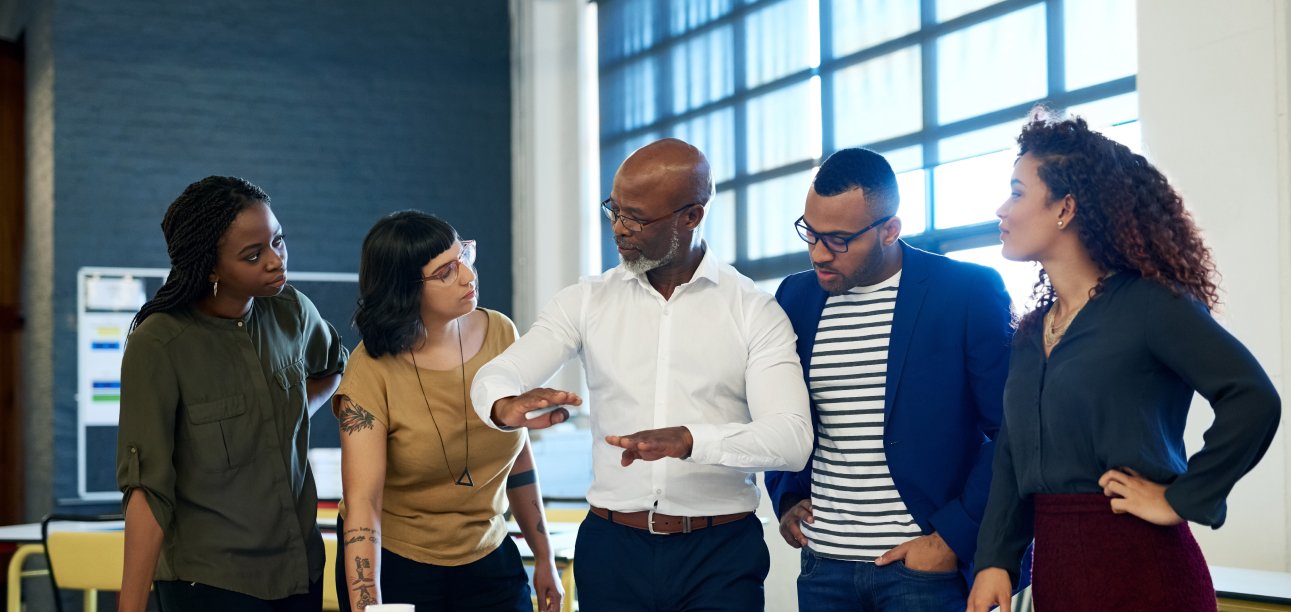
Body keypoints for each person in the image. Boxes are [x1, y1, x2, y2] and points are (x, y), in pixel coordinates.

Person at [470, 138, 813, 612]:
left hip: (719, 554)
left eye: (637, 218)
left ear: (691, 216)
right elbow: (499, 373)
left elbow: (792, 439)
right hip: (612, 549)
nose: (619, 228)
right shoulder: (586, 301)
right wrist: (502, 407)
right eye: (615, 210)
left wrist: (692, 440)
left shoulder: (753, 310)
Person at [968, 112, 1282, 612]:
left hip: (1146, 570)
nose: (1002, 209)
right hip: (1058, 575)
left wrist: (1180, 498)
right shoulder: (1030, 334)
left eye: (1017, 192)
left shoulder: (1151, 305)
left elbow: (1252, 398)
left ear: (1065, 207)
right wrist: (995, 561)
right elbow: (1011, 453)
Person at [763, 148, 1014, 611]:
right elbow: (777, 405)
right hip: (824, 568)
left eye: (837, 240)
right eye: (811, 233)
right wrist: (785, 492)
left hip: (921, 570)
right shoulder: (795, 296)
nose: (819, 253)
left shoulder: (965, 292)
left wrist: (950, 539)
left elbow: (1011, 433)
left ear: (890, 230)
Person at [116, 176, 349, 612]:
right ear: (210, 266)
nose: (275, 261)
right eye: (252, 255)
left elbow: (335, 370)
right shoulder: (160, 344)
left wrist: (293, 408)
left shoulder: (292, 311)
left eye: (278, 241)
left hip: (300, 571)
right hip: (209, 583)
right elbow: (148, 490)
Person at [333, 210, 562, 612]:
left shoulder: (501, 334)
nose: (468, 277)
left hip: (488, 553)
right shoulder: (371, 368)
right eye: (445, 272)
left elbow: (518, 459)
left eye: (465, 258)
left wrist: (545, 559)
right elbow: (362, 504)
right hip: (400, 561)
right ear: (404, 289)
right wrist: (368, 604)